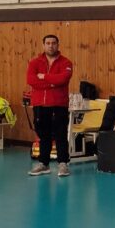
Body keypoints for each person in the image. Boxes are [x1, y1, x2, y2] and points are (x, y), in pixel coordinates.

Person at [26, 34, 73, 177]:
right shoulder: (34, 63)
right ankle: (43, 164)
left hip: (59, 104)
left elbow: (63, 79)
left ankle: (63, 164)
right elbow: (31, 80)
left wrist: (44, 77)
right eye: (48, 43)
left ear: (58, 45)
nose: (51, 46)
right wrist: (52, 83)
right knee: (43, 136)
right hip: (40, 104)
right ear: (43, 45)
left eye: (53, 43)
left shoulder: (66, 62)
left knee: (60, 135)